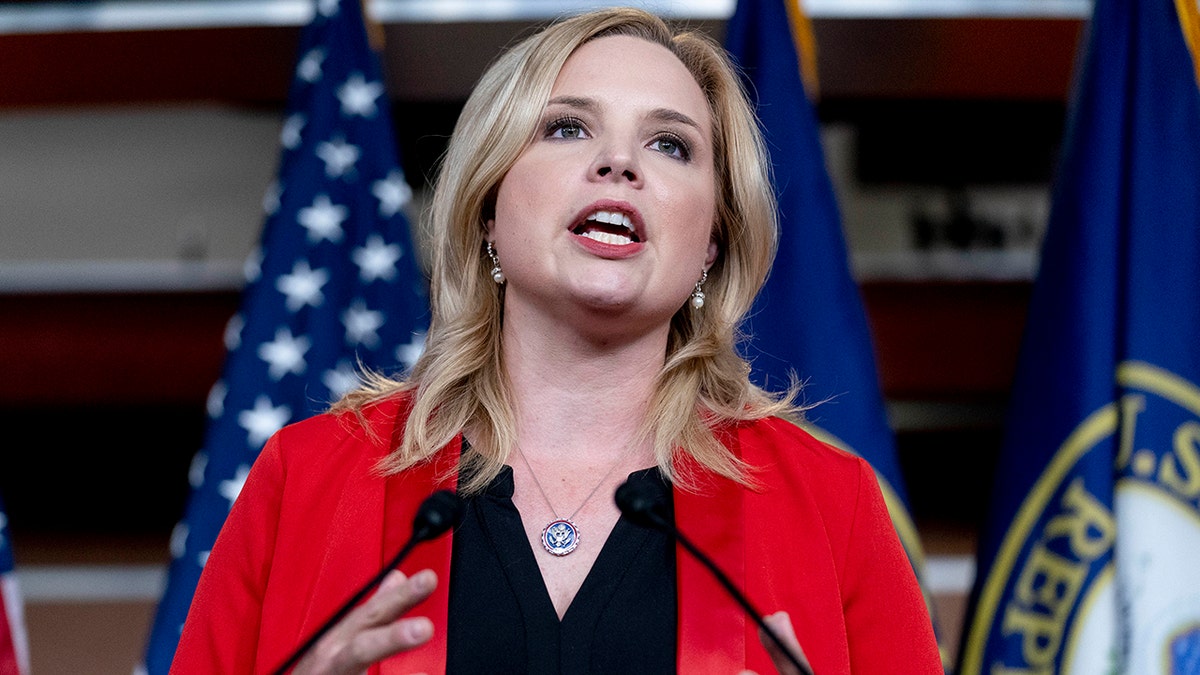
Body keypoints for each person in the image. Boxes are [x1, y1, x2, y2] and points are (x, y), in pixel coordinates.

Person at [172, 7, 941, 674]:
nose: (618, 163)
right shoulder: (304, 479)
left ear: (711, 242)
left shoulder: (833, 504)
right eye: (567, 128)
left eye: (671, 145)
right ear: (486, 210)